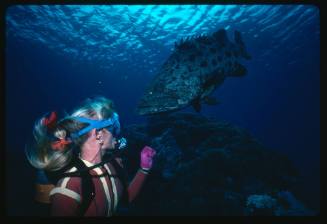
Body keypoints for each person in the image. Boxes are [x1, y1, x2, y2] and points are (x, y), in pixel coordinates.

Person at [25, 96, 156, 216]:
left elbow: (125, 198)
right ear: (98, 134)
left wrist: (144, 168)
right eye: (114, 128)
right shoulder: (70, 187)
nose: (117, 134)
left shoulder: (115, 163)